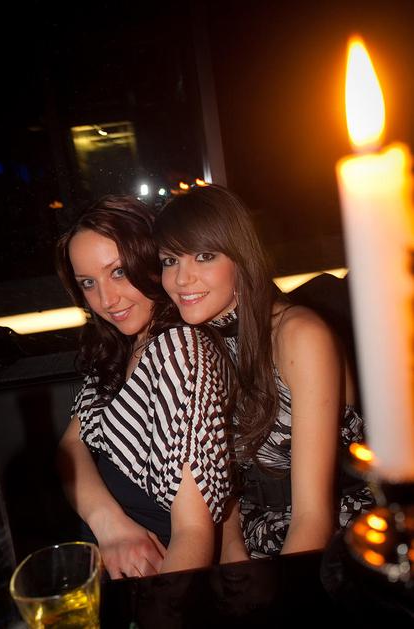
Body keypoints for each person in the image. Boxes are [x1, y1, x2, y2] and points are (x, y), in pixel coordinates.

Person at [153, 184, 373, 559]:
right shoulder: (200, 343)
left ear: (242, 258)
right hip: (253, 536)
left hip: (336, 542)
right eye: (170, 260)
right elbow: (226, 486)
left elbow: (313, 519)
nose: (181, 278)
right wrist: (232, 552)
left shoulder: (300, 336)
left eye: (204, 256)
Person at [55, 194, 237, 577]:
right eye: (88, 283)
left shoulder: (178, 349)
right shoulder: (123, 343)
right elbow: (70, 445)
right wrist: (110, 525)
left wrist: (164, 603)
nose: (107, 300)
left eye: (119, 271)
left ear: (149, 260)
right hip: (105, 555)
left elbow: (193, 531)